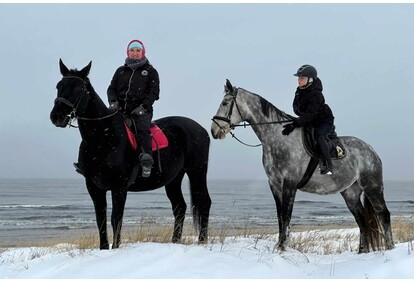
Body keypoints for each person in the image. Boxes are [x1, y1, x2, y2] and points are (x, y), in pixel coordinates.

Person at [107, 39, 160, 178]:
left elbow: (154, 92)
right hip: (119, 111)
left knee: (141, 129)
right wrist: (113, 102)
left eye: (138, 50)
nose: (135, 53)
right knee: (103, 127)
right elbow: (111, 88)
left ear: (143, 53)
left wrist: (143, 107)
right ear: (128, 52)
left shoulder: (150, 71)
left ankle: (146, 160)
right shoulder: (120, 71)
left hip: (141, 111)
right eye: (132, 50)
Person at [282, 64, 335, 175]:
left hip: (324, 121)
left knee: (319, 136)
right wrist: (294, 120)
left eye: (302, 78)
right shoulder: (299, 91)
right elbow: (296, 108)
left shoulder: (316, 94)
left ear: (310, 79)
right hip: (310, 119)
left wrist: (295, 124)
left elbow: (310, 114)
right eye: (299, 78)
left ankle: (328, 165)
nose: (299, 81)